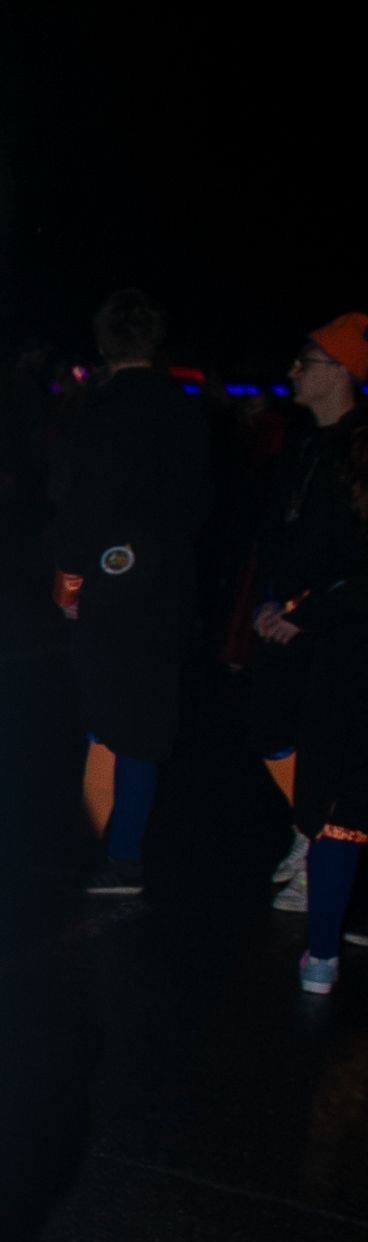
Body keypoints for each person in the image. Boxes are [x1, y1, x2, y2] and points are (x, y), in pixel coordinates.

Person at [51, 289, 209, 889]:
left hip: (111, 582)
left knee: (106, 714)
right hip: (168, 581)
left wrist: (69, 584)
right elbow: (200, 501)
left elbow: (78, 503)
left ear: (103, 343)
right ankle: (120, 850)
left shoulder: (101, 412)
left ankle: (106, 850)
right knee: (145, 716)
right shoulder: (184, 411)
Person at [248, 314, 368, 987]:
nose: (294, 371)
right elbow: (278, 535)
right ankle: (308, 830)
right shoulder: (302, 443)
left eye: (309, 360)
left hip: (343, 636)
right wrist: (270, 601)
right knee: (267, 729)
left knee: (340, 792)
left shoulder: (361, 448)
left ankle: (323, 924)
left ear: (343, 370)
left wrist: (309, 611)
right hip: (290, 625)